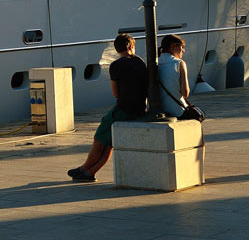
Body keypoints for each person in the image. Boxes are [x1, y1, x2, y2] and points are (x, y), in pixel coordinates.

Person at [68, 33, 147, 182]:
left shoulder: (116, 66)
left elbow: (115, 93)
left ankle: (84, 169)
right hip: (140, 108)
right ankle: (88, 172)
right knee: (109, 143)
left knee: (100, 137)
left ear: (117, 49)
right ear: (131, 47)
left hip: (124, 109)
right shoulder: (140, 62)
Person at [158, 34, 191, 117]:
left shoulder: (154, 63)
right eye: (182, 47)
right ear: (173, 46)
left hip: (160, 112)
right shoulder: (179, 63)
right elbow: (185, 93)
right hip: (178, 111)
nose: (183, 50)